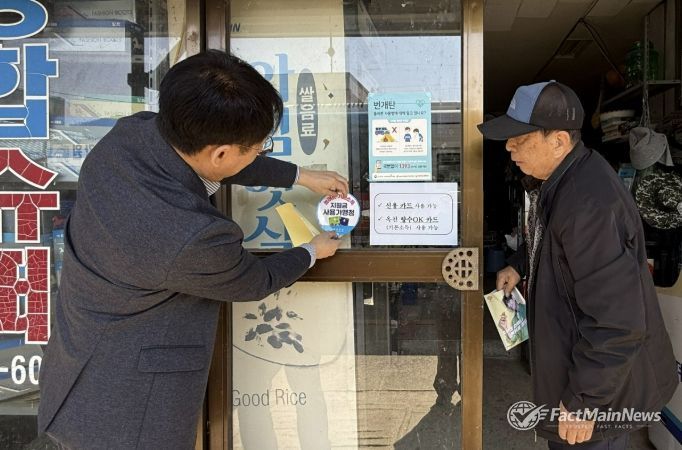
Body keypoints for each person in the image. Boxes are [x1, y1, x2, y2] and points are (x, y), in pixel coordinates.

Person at [35, 50, 348, 448]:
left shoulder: (131, 137)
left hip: (76, 367)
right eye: (259, 147)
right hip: (128, 413)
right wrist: (311, 250)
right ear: (222, 153)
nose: (259, 152)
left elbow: (212, 158)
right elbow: (254, 280)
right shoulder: (194, 238)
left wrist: (300, 176)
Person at [478, 81, 677, 449]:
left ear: (558, 141)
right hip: (587, 377)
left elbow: (617, 321)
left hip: (601, 396)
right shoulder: (565, 178)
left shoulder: (588, 206)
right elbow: (559, 245)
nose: (508, 146)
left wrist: (585, 401)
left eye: (520, 138)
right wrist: (520, 264)